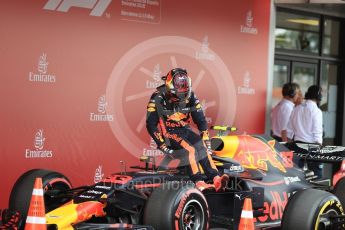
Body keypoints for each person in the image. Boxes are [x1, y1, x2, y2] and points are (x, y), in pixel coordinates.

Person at [146, 67, 229, 191]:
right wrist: (163, 146)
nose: (181, 97)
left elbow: (200, 119)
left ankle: (216, 179)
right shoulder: (157, 96)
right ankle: (199, 182)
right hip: (169, 133)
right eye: (177, 94)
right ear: (169, 88)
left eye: (184, 93)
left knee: (201, 146)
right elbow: (151, 124)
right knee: (190, 150)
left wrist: (205, 136)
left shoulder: (191, 95)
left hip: (185, 130)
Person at [287, 85, 323, 178]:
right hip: (311, 147)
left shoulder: (296, 108)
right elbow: (317, 132)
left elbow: (289, 131)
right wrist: (320, 148)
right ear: (318, 95)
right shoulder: (316, 111)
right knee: (316, 177)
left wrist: (290, 146)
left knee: (296, 176)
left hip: (297, 146)